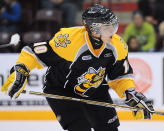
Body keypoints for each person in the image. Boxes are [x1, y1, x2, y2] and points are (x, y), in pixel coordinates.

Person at [1, 5, 154, 131]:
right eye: (108, 27)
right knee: (81, 128)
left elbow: (119, 77)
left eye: (113, 26)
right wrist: (21, 71)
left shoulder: (118, 45)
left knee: (110, 129)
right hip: (61, 90)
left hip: (95, 88)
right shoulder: (68, 40)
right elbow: (32, 53)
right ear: (93, 29)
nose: (113, 31)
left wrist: (130, 93)